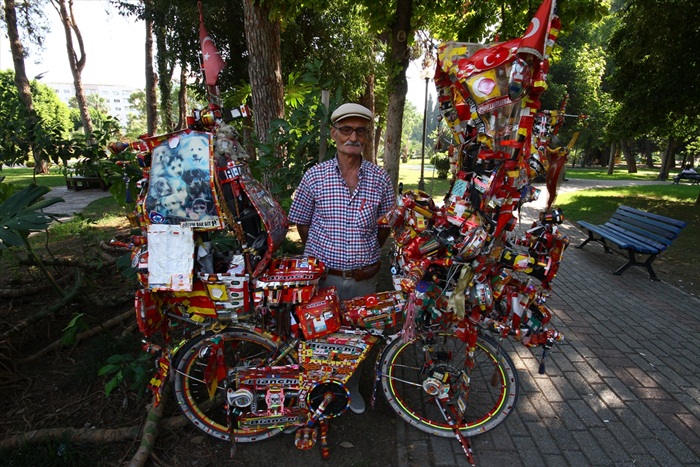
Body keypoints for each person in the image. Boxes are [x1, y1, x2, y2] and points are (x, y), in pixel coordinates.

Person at [288, 103, 395, 414]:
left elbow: (385, 224)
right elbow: (302, 221)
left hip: (365, 278)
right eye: (346, 129)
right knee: (321, 338)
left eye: (360, 130)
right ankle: (321, 390)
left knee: (360, 340)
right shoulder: (315, 176)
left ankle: (351, 389)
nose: (353, 136)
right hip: (325, 278)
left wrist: (365, 255)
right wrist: (321, 260)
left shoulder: (378, 178)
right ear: (333, 133)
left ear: (368, 137)